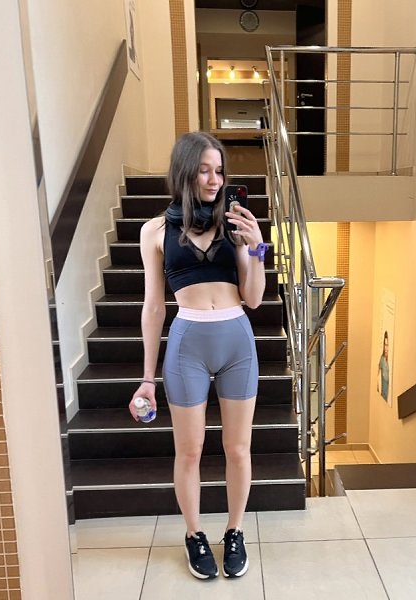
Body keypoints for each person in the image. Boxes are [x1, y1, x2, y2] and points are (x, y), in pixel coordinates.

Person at [129, 132, 267, 579]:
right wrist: (146, 378)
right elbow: (154, 306)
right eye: (204, 170)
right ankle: (194, 534)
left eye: (219, 171)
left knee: (238, 448)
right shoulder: (154, 231)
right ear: (185, 171)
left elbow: (254, 298)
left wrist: (257, 247)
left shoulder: (234, 223)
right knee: (189, 452)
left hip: (236, 341)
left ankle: (235, 531)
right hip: (186, 343)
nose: (214, 180)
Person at [377, 330, 389, 402]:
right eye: (384, 345)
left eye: (387, 345)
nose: (385, 348)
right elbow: (377, 375)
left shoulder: (388, 361)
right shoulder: (382, 359)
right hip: (383, 395)